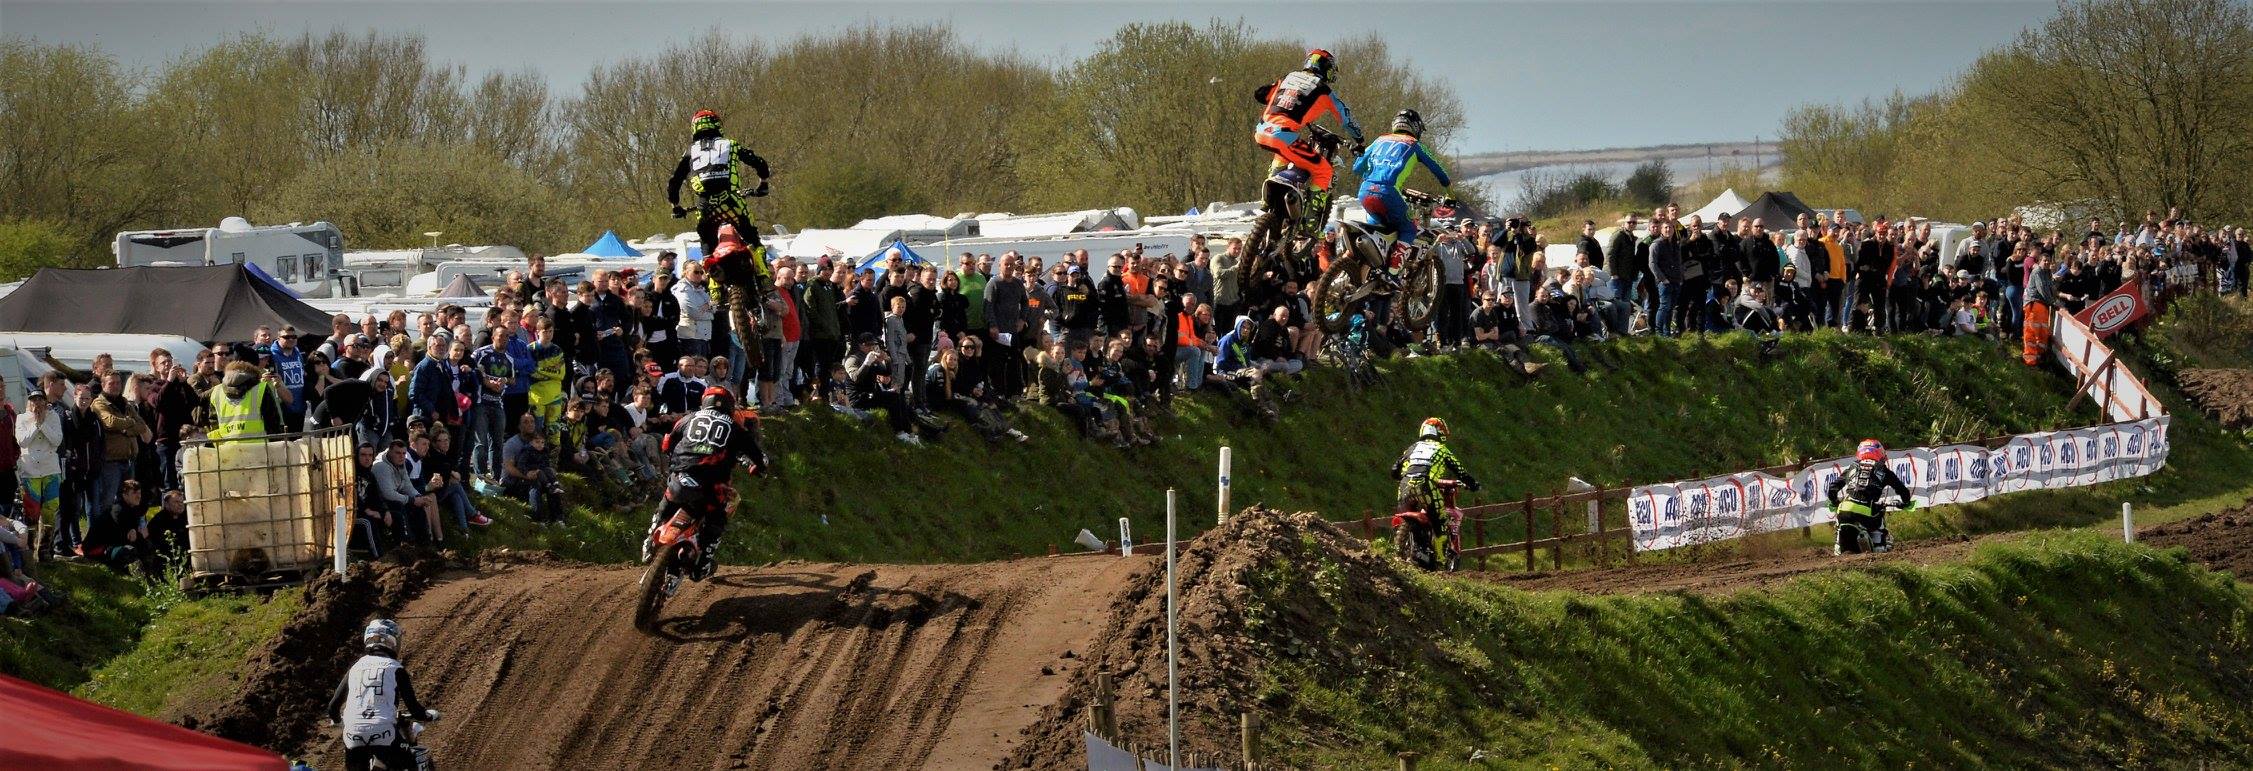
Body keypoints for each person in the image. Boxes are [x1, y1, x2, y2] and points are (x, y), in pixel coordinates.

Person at [644, 387, 770, 580]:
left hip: (681, 477)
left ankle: (650, 537)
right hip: (711, 485)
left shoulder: (688, 418)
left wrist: (675, 456)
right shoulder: (735, 427)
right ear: (729, 405)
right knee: (718, 517)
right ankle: (703, 562)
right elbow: (757, 456)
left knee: (668, 498)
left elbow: (667, 443)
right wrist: (760, 468)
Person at [1251, 48, 1364, 218]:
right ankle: (1310, 221)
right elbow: (1346, 118)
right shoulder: (1323, 90)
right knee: (1324, 170)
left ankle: (1268, 199)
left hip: (1261, 131)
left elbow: (1261, 94)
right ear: (1325, 68)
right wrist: (1360, 139)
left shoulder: (1288, 78)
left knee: (1283, 154)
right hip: (1283, 136)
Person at [329, 619, 439, 771]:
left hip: (352, 734)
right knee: (411, 763)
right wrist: (427, 716)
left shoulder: (355, 668)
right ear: (393, 641)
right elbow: (413, 708)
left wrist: (338, 721)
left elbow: (333, 707)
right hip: (383, 731)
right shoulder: (396, 668)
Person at [666, 109, 773, 261]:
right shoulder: (731, 144)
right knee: (753, 241)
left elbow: (674, 181)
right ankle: (762, 271)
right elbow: (759, 162)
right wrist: (763, 183)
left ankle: (709, 270)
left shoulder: (690, 151)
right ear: (717, 125)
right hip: (731, 200)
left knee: (707, 244)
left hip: (705, 205)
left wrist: (676, 206)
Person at [1352, 109, 1452, 260]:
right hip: (1389, 192)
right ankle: (1393, 270)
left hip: (1365, 190)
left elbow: (1357, 167)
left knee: (1375, 230)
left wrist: (1373, 172)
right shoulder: (1415, 145)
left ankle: (1364, 264)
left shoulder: (1379, 140)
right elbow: (1439, 171)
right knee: (1409, 229)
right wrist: (1450, 195)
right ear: (1416, 127)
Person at [1389, 417, 1476, 570]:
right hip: (1425, 486)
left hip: (1404, 487)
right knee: (1440, 520)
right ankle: (1441, 560)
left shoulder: (1412, 448)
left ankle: (1406, 550)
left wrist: (1402, 476)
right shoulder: (1441, 449)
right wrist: (1473, 484)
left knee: (1404, 517)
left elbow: (1394, 470)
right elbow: (1460, 471)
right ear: (1438, 432)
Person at [1825, 439, 1913, 554]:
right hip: (1866, 512)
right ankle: (1878, 546)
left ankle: (1838, 545)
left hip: (1844, 510)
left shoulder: (1852, 467)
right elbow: (1903, 491)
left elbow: (1832, 488)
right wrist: (1905, 502)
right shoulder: (1883, 470)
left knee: (1839, 525)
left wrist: (1835, 502)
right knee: (1879, 517)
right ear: (1880, 453)